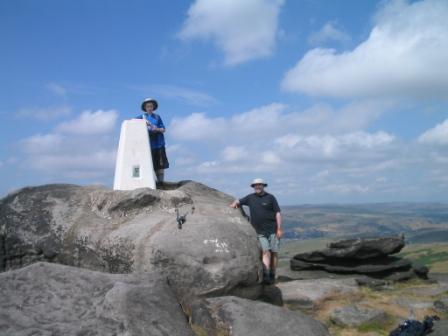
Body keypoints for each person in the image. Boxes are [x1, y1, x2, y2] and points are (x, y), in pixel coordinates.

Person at [230, 178, 283, 284]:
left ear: (263, 186)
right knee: (265, 251)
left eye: (259, 185)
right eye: (255, 185)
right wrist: (234, 203)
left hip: (272, 229)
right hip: (259, 231)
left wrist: (279, 228)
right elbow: (239, 201)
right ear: (253, 187)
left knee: (274, 252)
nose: (257, 187)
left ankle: (273, 272)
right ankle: (267, 274)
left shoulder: (271, 198)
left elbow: (277, 213)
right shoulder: (250, 198)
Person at [134, 98, 169, 183]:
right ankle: (151, 182)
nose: (149, 108)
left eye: (151, 106)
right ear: (145, 108)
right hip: (148, 145)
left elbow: (163, 129)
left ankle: (161, 182)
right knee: (150, 164)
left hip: (159, 144)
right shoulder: (142, 117)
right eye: (148, 106)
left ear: (153, 107)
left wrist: (157, 129)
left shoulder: (157, 117)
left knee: (160, 165)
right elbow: (133, 122)